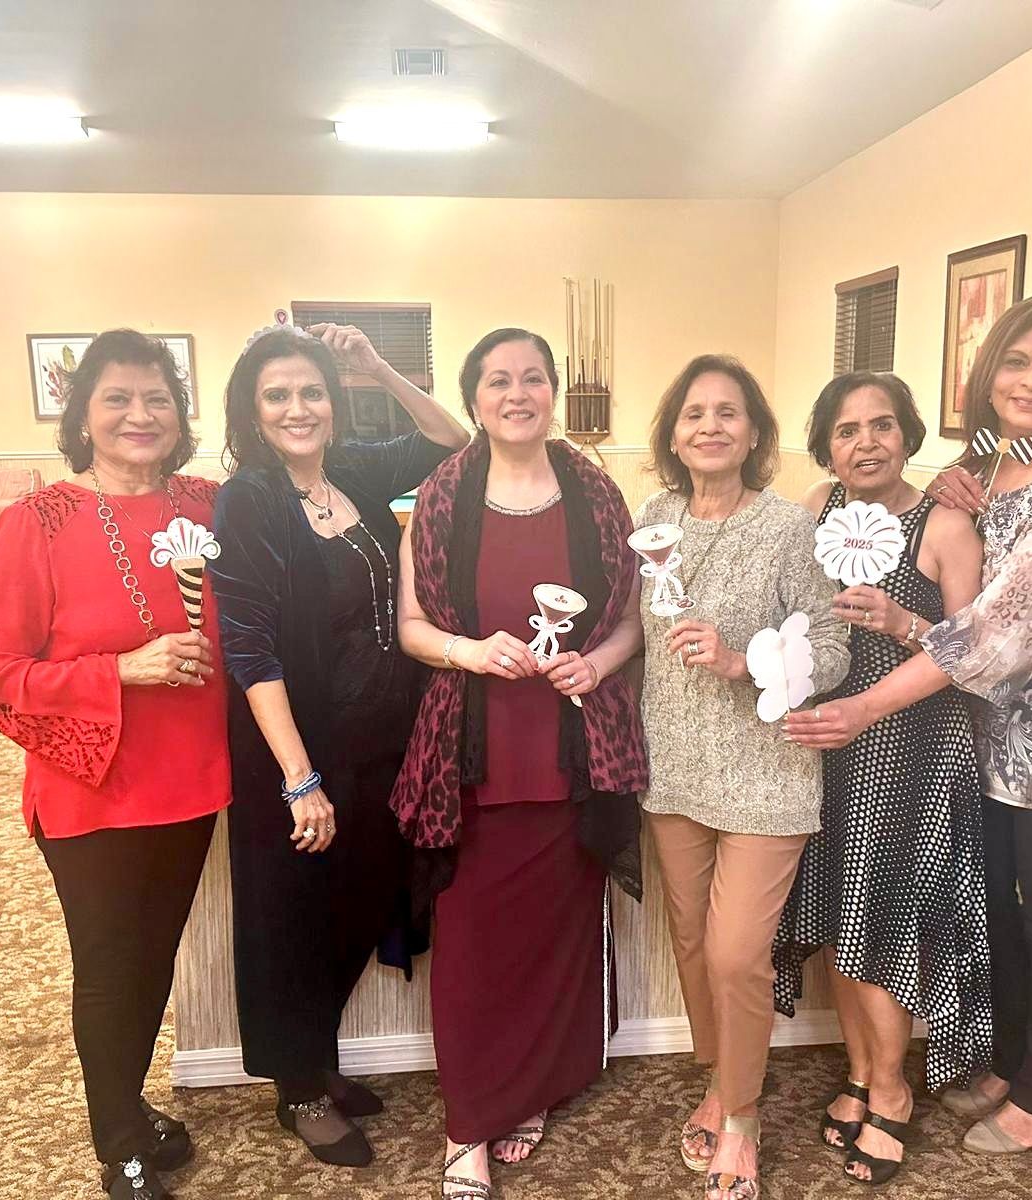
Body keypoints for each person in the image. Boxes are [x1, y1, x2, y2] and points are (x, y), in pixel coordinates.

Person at [786, 294, 1032, 1158]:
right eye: (1017, 362)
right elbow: (960, 617)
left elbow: (1002, 630)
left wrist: (864, 706)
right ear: (987, 373)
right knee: (997, 905)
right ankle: (1008, 1057)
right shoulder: (989, 464)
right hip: (982, 735)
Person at [0, 330, 227, 1200]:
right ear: (82, 416)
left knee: (154, 960)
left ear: (178, 413)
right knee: (111, 966)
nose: (139, 414)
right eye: (116, 398)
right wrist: (124, 667)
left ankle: (128, 1104)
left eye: (156, 397)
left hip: (191, 778)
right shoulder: (36, 523)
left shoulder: (209, 504)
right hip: (94, 787)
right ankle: (118, 1139)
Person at [391, 327, 648, 1200]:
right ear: (473, 398)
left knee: (555, 934)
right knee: (470, 945)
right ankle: (470, 1122)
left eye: (533, 378)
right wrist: (469, 653)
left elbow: (627, 621)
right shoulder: (441, 494)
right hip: (475, 755)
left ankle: (530, 1089)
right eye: (498, 379)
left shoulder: (598, 495)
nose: (517, 392)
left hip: (571, 754)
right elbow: (412, 627)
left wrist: (598, 664)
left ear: (553, 393)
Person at [209, 320, 471, 1167]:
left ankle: (314, 1059)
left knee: (361, 902)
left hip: (383, 743)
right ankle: (300, 1089)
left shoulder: (352, 471)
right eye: (277, 395)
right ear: (252, 411)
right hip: (299, 752)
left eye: (311, 391)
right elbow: (247, 645)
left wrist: (377, 368)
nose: (298, 408)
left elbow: (453, 441)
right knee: (292, 921)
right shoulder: (249, 498)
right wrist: (298, 778)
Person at [635, 355, 850, 1200]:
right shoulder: (652, 517)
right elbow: (629, 625)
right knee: (692, 944)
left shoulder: (787, 530)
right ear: (674, 433)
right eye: (694, 413)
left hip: (767, 774)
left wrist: (742, 662)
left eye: (729, 413)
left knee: (735, 954)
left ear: (754, 432)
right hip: (675, 767)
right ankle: (721, 1079)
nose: (710, 426)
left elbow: (832, 649)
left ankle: (744, 1117)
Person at [771, 371, 988, 1187]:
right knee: (837, 914)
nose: (866, 442)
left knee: (882, 922)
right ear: (826, 443)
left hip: (914, 750)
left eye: (883, 425)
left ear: (910, 434)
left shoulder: (945, 523)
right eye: (847, 429)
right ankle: (861, 1073)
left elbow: (976, 656)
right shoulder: (820, 511)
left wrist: (904, 621)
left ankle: (892, 1091)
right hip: (831, 744)